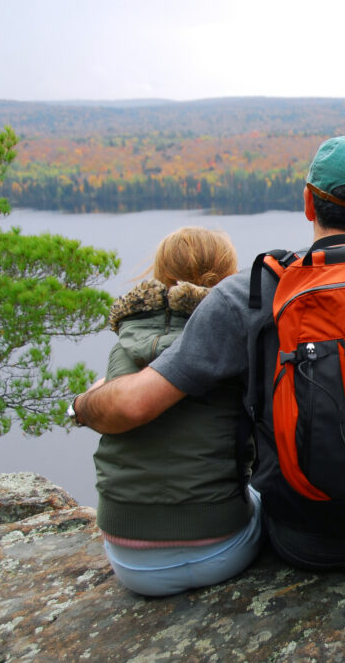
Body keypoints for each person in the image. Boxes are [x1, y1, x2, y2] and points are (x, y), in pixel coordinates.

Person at [71, 136, 345, 573]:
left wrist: (81, 404)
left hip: (301, 542)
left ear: (308, 204)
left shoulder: (250, 294)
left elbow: (133, 405)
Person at [88, 226, 262, 596]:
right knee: (265, 499)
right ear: (227, 275)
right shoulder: (233, 339)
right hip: (223, 550)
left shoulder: (124, 345)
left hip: (131, 564)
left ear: (159, 273)